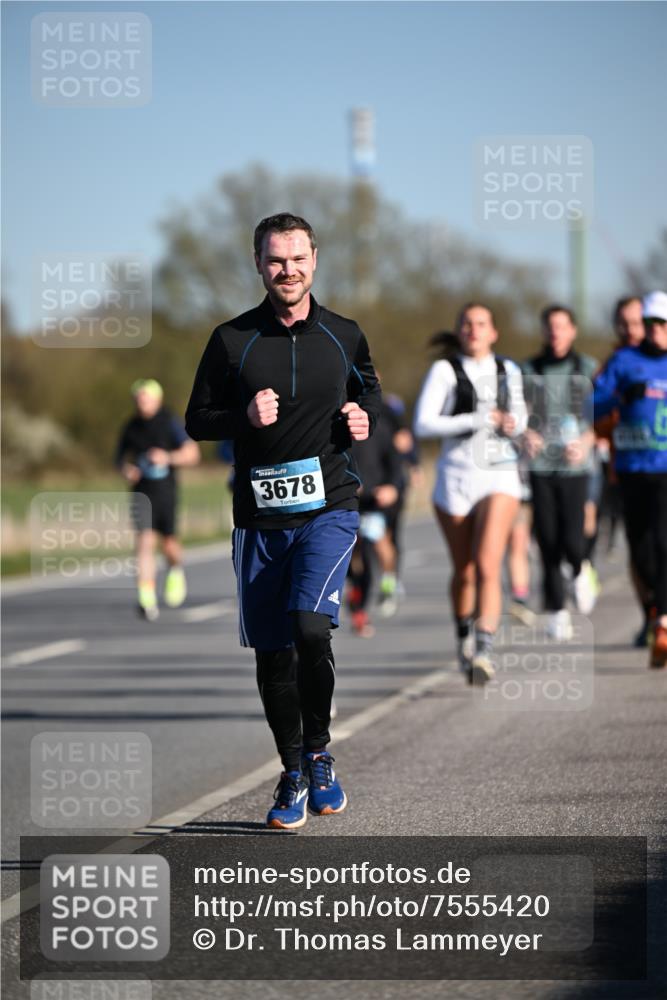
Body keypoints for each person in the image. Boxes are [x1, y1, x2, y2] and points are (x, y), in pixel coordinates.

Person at [185, 213, 381, 828]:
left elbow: (370, 390)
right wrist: (242, 414)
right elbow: (197, 420)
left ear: (315, 260)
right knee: (273, 652)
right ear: (258, 264)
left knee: (310, 628)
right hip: (259, 520)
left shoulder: (344, 335)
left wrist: (363, 416)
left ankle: (319, 752)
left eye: (297, 258)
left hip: (329, 507)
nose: (287, 270)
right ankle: (292, 770)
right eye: (275, 260)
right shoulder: (230, 340)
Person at [413, 308, 527, 685]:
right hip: (456, 479)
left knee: (487, 564)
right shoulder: (446, 371)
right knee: (464, 571)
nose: (473, 330)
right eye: (466, 324)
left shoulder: (508, 370)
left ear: (493, 332)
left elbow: (522, 417)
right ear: (458, 331)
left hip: (499, 475)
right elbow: (423, 423)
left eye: (480, 324)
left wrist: (513, 424)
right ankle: (463, 635)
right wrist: (478, 419)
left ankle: (484, 648)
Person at [594, 290, 667, 668]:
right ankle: (656, 613)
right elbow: (592, 404)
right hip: (632, 467)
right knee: (640, 547)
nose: (654, 331)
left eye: (660, 324)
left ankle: (663, 619)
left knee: (664, 537)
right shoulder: (623, 362)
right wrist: (621, 396)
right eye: (650, 324)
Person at [521, 305, 599, 639]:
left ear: (573, 331)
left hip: (575, 466)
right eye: (550, 327)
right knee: (548, 539)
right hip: (541, 466)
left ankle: (581, 570)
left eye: (562, 326)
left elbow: (603, 418)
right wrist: (525, 433)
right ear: (543, 331)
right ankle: (556, 610)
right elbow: (515, 412)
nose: (555, 333)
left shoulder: (587, 368)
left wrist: (586, 440)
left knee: (572, 536)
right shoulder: (530, 369)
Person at [116, 379, 200, 621]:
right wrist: (127, 470)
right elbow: (120, 459)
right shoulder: (131, 427)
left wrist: (167, 457)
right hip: (142, 492)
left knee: (169, 545)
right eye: (138, 398)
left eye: (146, 397)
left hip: (166, 491)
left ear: (157, 398)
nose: (142, 402)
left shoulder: (169, 422)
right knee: (144, 542)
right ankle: (146, 598)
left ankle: (175, 569)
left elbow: (191, 454)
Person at [347, 403, 404, 635]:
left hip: (375, 501)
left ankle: (389, 582)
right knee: (354, 558)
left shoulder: (380, 428)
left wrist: (391, 487)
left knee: (378, 545)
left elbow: (395, 464)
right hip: (348, 502)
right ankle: (359, 610)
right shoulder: (335, 427)